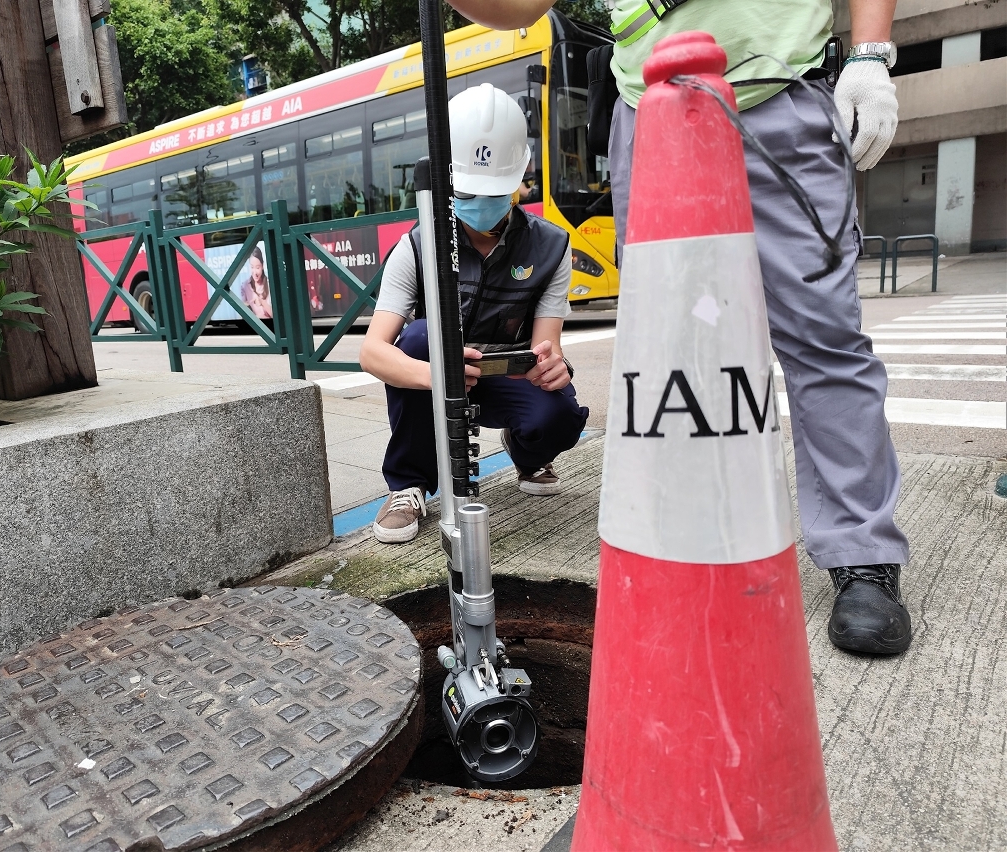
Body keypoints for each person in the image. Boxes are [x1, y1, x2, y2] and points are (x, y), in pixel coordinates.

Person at [445, 0, 912, 655]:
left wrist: (869, 53)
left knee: (823, 338)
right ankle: (697, 530)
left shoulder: (540, 245)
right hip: (651, 118)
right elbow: (522, 5)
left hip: (775, 90)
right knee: (677, 352)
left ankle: (861, 552)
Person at [359, 83, 589, 544]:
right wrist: (436, 376)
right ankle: (408, 485)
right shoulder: (417, 244)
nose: (481, 204)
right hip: (434, 378)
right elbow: (372, 352)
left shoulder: (551, 246)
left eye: (494, 191)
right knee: (418, 337)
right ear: (445, 180)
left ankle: (527, 452)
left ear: (519, 180)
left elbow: (547, 346)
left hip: (505, 376)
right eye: (467, 191)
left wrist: (552, 366)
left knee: (560, 416)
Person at [241, 245, 272, 319]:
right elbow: (242, 316)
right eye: (252, 267)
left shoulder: (270, 284)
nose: (254, 272)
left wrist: (262, 302)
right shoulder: (245, 286)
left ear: (263, 266)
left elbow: (276, 316)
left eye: (257, 267)